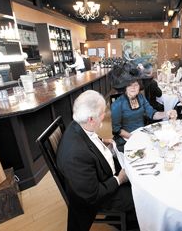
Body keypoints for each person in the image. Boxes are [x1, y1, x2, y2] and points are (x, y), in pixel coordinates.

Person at [56, 90, 138, 231]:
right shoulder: (76, 155)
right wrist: (119, 179)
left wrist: (101, 143)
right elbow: (93, 195)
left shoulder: (78, 124)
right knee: (138, 196)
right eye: (102, 113)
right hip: (98, 197)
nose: (105, 115)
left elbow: (89, 141)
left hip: (102, 175)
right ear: (91, 119)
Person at [111, 74, 177, 152]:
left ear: (139, 86)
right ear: (125, 87)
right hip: (126, 138)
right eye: (129, 85)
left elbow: (152, 114)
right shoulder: (117, 104)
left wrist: (167, 113)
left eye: (136, 85)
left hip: (142, 133)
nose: (133, 87)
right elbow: (117, 130)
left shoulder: (140, 97)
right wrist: (134, 137)